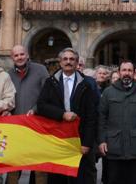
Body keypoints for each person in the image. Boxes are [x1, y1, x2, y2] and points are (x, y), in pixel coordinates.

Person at [37, 47, 97, 184]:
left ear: (77, 63)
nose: (68, 62)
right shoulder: (50, 82)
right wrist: (62, 114)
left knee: (81, 177)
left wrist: (87, 143)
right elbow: (41, 106)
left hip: (79, 140)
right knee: (58, 177)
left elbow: (91, 116)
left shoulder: (87, 84)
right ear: (60, 62)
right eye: (65, 59)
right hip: (58, 139)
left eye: (72, 59)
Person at [98, 61, 136, 184]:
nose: (126, 73)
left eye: (130, 71)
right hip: (113, 147)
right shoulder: (108, 93)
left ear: (134, 74)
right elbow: (101, 119)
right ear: (119, 73)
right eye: (124, 70)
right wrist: (102, 140)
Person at [6, 45, 49, 184]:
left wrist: (36, 109)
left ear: (27, 55)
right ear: (12, 58)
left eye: (22, 54)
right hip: (15, 126)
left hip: (37, 124)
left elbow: (47, 93)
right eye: (16, 55)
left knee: (40, 167)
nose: (19, 57)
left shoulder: (41, 70)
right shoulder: (8, 74)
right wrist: (6, 110)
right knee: (13, 165)